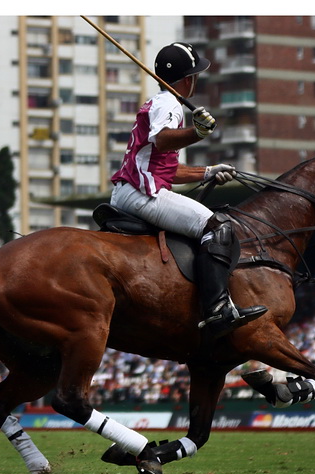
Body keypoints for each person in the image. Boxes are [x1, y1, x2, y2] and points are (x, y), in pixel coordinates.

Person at [110, 42, 267, 339]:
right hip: (142, 194)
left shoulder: (160, 103)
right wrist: (198, 132)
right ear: (187, 79)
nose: (197, 80)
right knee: (217, 227)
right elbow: (162, 140)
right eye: (196, 75)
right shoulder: (169, 103)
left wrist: (208, 171)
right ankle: (217, 309)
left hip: (131, 190)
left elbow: (166, 169)